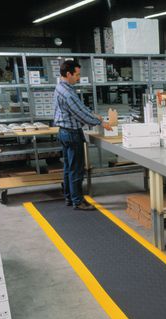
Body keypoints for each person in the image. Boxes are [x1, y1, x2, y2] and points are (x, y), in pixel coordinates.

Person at [53, 60, 112, 210]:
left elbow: (80, 108)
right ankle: (77, 201)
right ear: (68, 74)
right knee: (76, 169)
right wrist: (100, 122)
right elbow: (81, 115)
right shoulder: (68, 93)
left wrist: (93, 114)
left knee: (68, 168)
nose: (79, 78)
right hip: (72, 134)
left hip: (64, 132)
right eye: (77, 75)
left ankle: (69, 197)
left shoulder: (61, 87)